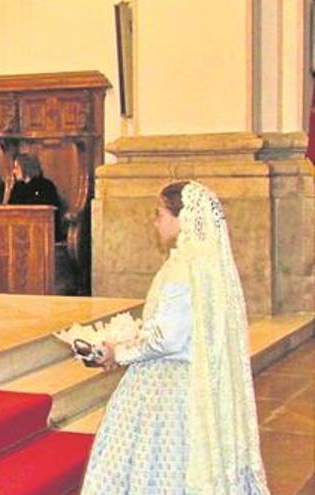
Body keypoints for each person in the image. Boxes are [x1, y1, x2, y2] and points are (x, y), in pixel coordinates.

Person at [81, 181, 270, 494]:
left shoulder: (184, 268)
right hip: (195, 377)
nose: (156, 223)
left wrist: (120, 352)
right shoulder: (207, 264)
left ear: (181, 218)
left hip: (171, 386)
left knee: (155, 466)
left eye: (160, 214)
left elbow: (167, 339)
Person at [8, 152, 63, 239]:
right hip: (21, 231)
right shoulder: (17, 187)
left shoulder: (45, 186)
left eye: (16, 168)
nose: (14, 171)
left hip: (42, 232)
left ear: (26, 167)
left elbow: (48, 212)